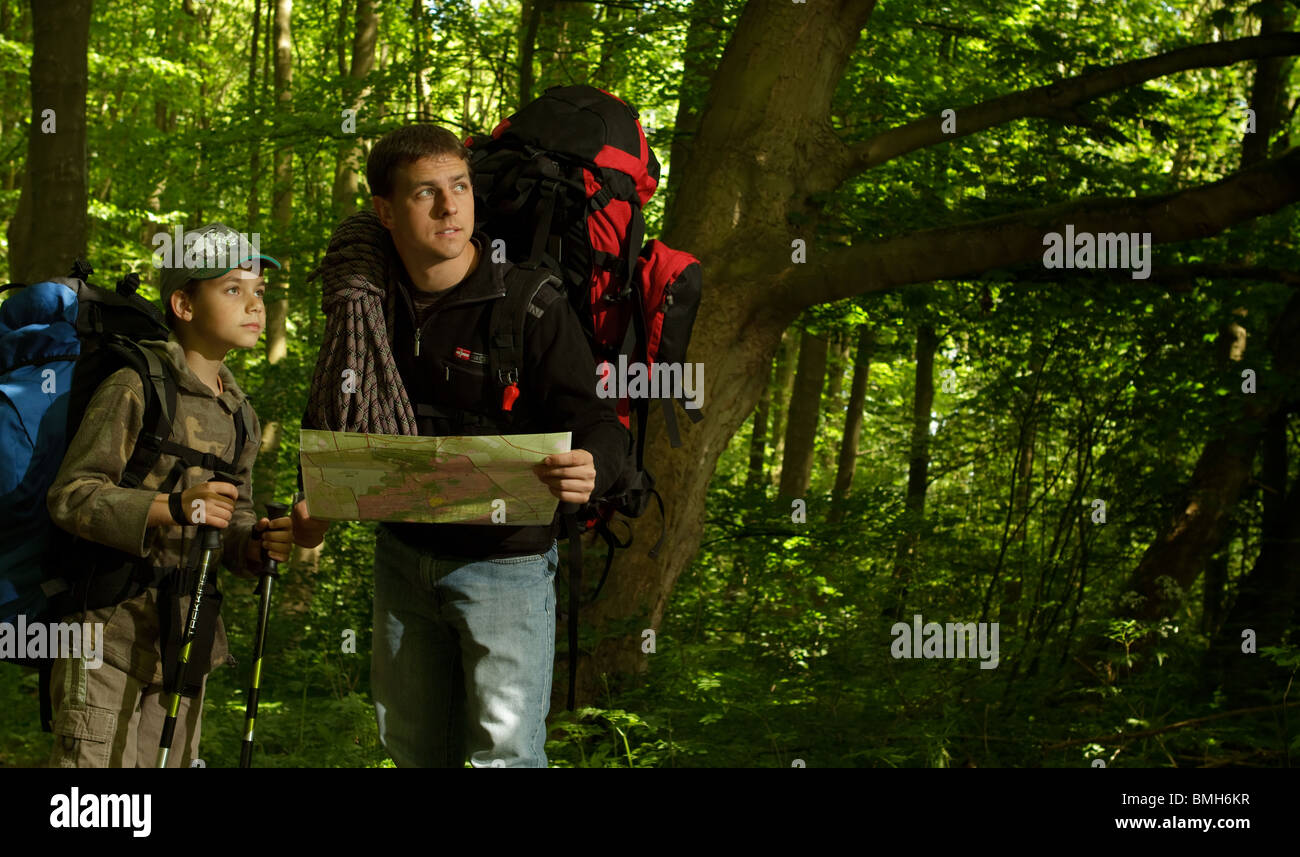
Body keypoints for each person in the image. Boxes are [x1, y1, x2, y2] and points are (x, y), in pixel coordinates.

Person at [295, 125, 628, 767]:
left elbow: (595, 420)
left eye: (460, 187)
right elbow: (336, 415)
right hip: (403, 555)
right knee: (414, 751)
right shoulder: (365, 303)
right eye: (427, 193)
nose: (451, 208)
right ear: (386, 211)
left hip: (506, 567)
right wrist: (316, 503)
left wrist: (593, 466)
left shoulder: (529, 303)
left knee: (503, 758)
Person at [44, 224, 294, 767]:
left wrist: (254, 544)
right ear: (183, 302)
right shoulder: (136, 386)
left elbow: (234, 517)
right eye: (232, 289)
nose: (254, 304)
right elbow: (72, 496)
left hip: (186, 639)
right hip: (106, 637)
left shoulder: (241, 415)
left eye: (259, 292)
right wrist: (171, 508)